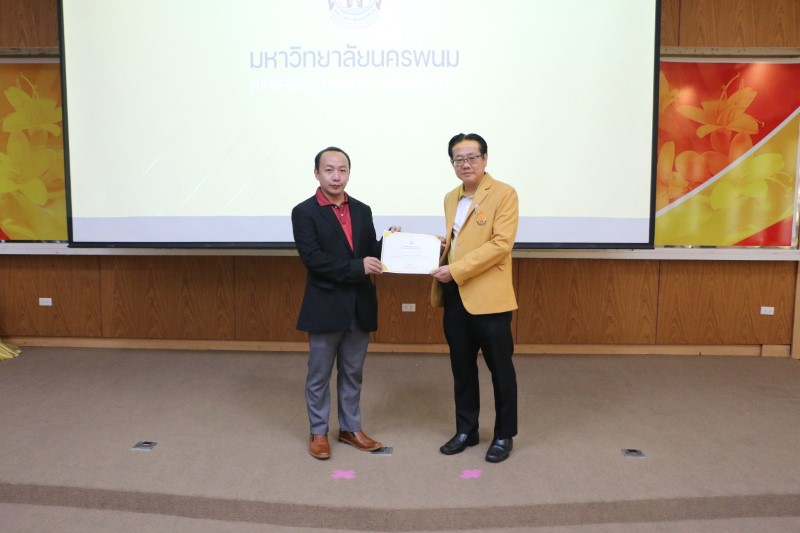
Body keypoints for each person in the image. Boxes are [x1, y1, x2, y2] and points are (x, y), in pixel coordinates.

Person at [291, 146, 395, 460]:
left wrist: (390, 243)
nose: (336, 176)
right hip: (326, 305)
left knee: (353, 373)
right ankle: (318, 431)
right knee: (319, 375)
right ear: (317, 173)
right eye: (329, 170)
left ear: (349, 173)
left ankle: (350, 428)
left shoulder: (362, 209)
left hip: (359, 305)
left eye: (342, 170)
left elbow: (368, 252)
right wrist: (357, 267)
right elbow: (313, 259)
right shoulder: (304, 212)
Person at [430, 132, 519, 463]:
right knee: (462, 368)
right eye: (459, 159)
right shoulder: (450, 197)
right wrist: (443, 247)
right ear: (452, 163)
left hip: (490, 297)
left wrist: (455, 269)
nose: (465, 164)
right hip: (456, 295)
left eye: (472, 158)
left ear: (485, 159)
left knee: (500, 369)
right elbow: (461, 240)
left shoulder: (504, 193)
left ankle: (504, 434)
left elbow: (500, 244)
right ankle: (466, 430)